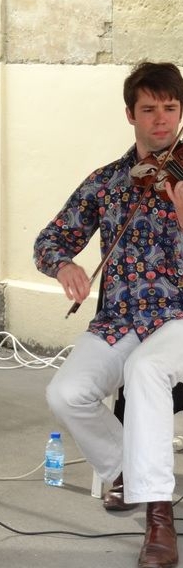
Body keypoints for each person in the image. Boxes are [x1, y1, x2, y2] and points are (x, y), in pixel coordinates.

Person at [34, 61, 183, 568]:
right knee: (66, 393)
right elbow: (49, 239)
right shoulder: (108, 182)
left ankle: (159, 519)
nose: (161, 120)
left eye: (171, 108)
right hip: (120, 319)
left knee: (146, 370)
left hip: (178, 317)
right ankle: (127, 470)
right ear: (130, 115)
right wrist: (64, 265)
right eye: (150, 109)